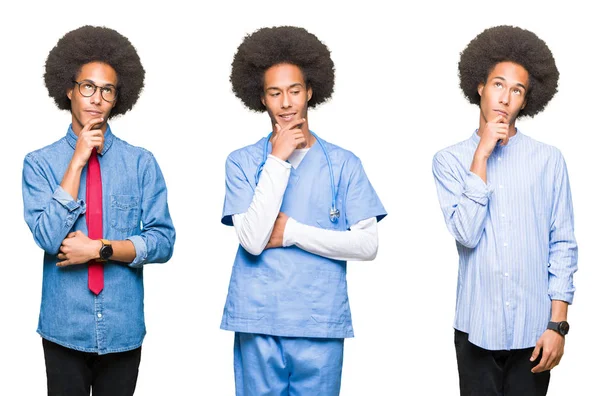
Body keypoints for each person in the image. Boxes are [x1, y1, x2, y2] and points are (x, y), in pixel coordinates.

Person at [220, 26, 386, 395]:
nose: (286, 103)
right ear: (261, 99)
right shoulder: (243, 163)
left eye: (294, 91)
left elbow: (367, 245)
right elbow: (252, 240)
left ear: (310, 92)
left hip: (319, 323)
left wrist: (293, 232)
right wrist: (277, 159)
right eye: (274, 93)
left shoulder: (344, 164)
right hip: (259, 319)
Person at [22, 25, 175, 396]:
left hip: (123, 330)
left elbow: (163, 240)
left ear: (117, 97)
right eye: (88, 86)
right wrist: (76, 162)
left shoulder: (141, 163)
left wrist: (101, 249)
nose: (96, 98)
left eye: (107, 90)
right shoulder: (39, 163)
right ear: (70, 89)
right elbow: (47, 238)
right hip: (64, 329)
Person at [432, 25, 577, 396]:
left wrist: (557, 326)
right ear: (480, 86)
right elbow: (465, 234)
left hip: (535, 332)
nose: (505, 97)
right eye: (498, 84)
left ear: (526, 100)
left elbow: (562, 244)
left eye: (517, 90)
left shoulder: (548, 160)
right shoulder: (449, 161)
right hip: (476, 330)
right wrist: (481, 155)